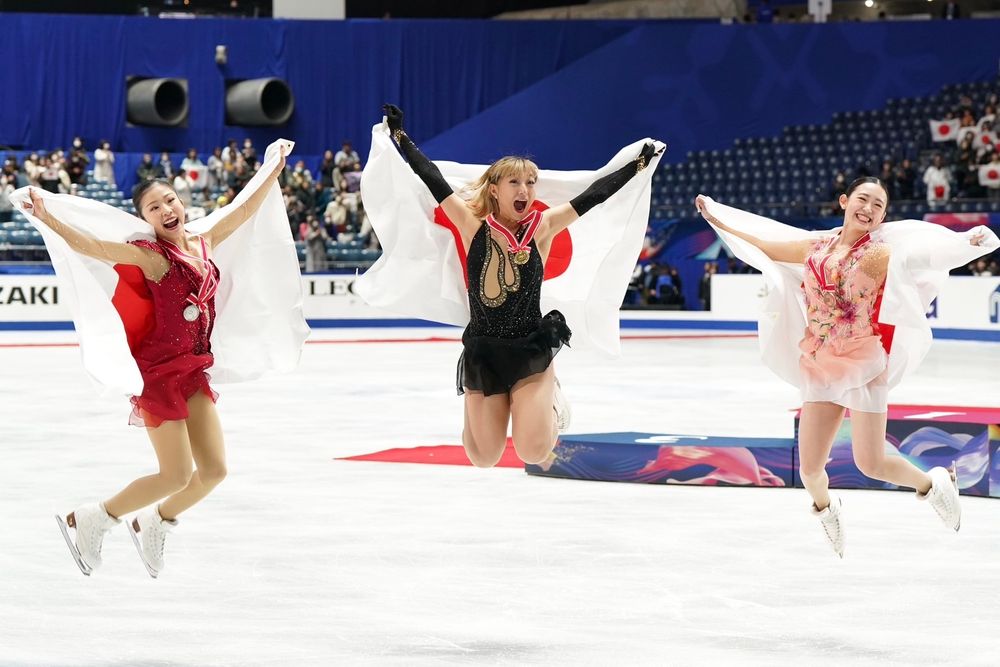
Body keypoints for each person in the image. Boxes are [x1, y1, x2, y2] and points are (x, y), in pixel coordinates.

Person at [17, 141, 305, 578]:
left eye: (169, 199)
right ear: (146, 219)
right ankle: (95, 517)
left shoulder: (204, 241)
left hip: (192, 369)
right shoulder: (152, 258)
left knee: (213, 470)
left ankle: (155, 520)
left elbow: (243, 211)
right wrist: (48, 219)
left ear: (180, 200)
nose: (166, 210)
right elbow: (94, 247)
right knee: (175, 473)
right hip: (159, 374)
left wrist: (272, 169)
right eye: (154, 208)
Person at [695, 177, 998, 557]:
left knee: (870, 463)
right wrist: (717, 220)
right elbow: (764, 245)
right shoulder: (814, 247)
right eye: (863, 199)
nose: (868, 209)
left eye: (878, 205)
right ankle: (827, 510)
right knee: (809, 471)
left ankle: (934, 484)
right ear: (844, 201)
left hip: (864, 361)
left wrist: (961, 244)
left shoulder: (879, 254)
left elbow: (923, 256)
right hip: (820, 362)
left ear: (883, 216)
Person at [373, 104, 661, 468]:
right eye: (515, 182)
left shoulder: (543, 228)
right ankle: (477, 407)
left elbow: (594, 195)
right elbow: (431, 177)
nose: (525, 189)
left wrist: (637, 168)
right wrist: (400, 135)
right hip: (484, 349)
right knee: (482, 457)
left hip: (528, 347)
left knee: (534, 452)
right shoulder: (471, 226)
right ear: (494, 189)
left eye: (530, 182)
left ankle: (551, 397)